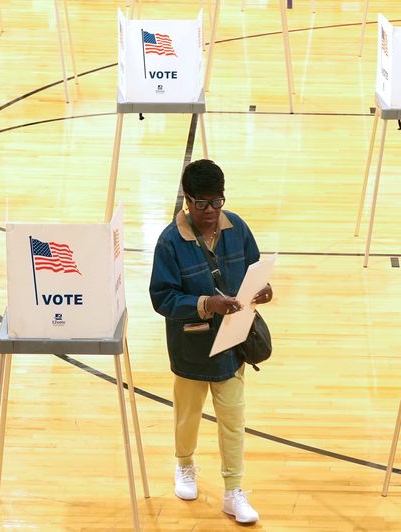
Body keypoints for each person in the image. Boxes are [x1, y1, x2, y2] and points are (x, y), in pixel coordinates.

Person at [149, 159, 273, 524]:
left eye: (216, 202)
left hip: (232, 343)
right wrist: (206, 304)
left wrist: (262, 290)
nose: (209, 212)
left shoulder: (238, 228)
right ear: (186, 200)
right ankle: (184, 464)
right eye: (201, 204)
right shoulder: (170, 242)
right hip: (191, 346)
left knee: (233, 419)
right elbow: (162, 298)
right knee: (187, 415)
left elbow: (254, 269)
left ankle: (233, 490)